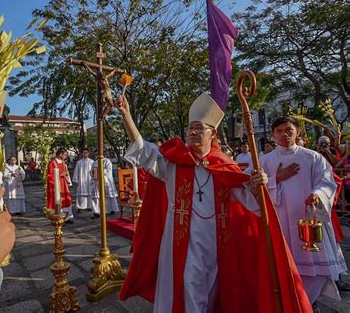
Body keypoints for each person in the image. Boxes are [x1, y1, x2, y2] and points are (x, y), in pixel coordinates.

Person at [116, 94, 312, 312]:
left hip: (216, 242)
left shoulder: (225, 165)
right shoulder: (173, 163)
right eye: (190, 128)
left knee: (210, 292)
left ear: (213, 133)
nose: (192, 132)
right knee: (187, 286)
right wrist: (126, 115)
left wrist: (259, 184)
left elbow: (252, 202)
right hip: (180, 240)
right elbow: (144, 151)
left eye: (199, 128)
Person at [259, 116, 347, 304]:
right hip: (279, 220)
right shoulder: (265, 161)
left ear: (297, 131)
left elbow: (326, 181)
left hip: (308, 218)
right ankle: (290, 301)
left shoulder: (312, 157)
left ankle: (308, 301)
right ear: (273, 135)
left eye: (289, 130)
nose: (284, 134)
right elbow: (251, 188)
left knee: (314, 268)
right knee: (283, 267)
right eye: (279, 131)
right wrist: (275, 178)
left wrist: (318, 193)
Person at [46, 148, 74, 223]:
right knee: (58, 201)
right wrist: (61, 174)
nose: (66, 156)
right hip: (56, 185)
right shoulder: (52, 163)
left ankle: (67, 217)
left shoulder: (63, 162)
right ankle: (58, 218)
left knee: (66, 200)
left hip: (63, 184)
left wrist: (67, 178)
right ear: (60, 154)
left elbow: (66, 172)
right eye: (65, 155)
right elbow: (49, 175)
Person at [72, 148, 94, 214]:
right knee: (80, 195)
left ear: (88, 153)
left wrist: (94, 179)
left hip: (89, 180)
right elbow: (76, 171)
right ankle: (80, 207)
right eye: (83, 152)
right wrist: (76, 179)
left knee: (90, 194)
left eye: (86, 152)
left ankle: (90, 206)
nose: (85, 154)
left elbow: (93, 172)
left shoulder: (92, 162)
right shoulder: (79, 162)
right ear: (82, 153)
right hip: (81, 180)